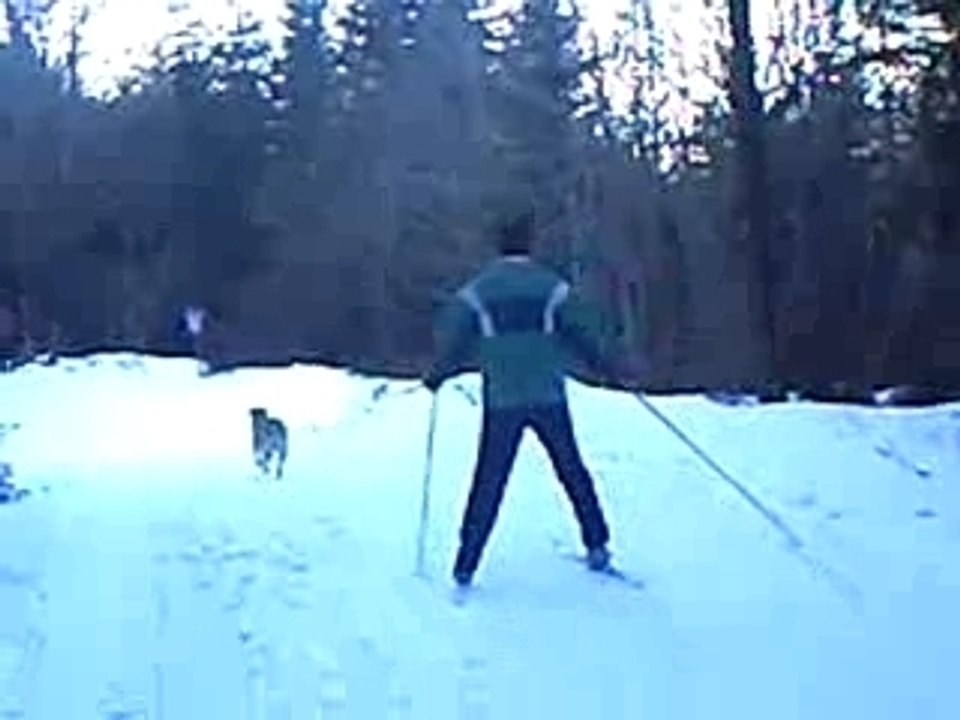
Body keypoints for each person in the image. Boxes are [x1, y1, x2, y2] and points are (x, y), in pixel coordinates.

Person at [423, 210, 622, 588]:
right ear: (530, 244)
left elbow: (456, 339)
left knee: (489, 479)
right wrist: (605, 367)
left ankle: (466, 565)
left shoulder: (477, 291)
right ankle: (597, 545)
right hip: (548, 394)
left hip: (502, 399)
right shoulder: (551, 287)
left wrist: (438, 374)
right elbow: (577, 332)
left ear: (498, 246)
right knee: (571, 470)